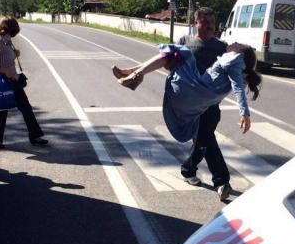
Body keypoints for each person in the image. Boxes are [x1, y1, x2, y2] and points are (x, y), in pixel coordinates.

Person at [112, 43, 261, 176]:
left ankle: (134, 75)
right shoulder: (241, 69)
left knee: (180, 52)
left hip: (191, 89)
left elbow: (238, 88)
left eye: (238, 43)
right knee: (173, 57)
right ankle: (131, 73)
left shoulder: (235, 59)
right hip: (198, 101)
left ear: (241, 51)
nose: (233, 42)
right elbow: (231, 86)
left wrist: (245, 113)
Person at [178, 8, 233, 200]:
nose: (209, 25)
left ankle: (190, 170)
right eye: (204, 21)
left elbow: (234, 68)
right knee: (205, 139)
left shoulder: (222, 47)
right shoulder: (185, 42)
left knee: (204, 139)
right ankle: (220, 181)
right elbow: (174, 67)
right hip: (190, 105)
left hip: (211, 104)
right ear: (196, 24)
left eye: (212, 21)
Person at [0, 17, 48, 148]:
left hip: (13, 80)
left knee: (13, 108)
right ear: (11, 28)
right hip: (5, 81)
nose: (18, 29)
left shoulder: (6, 40)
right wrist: (3, 70)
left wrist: (14, 53)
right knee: (7, 109)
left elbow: (4, 57)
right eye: (16, 27)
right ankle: (33, 136)